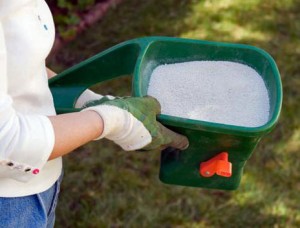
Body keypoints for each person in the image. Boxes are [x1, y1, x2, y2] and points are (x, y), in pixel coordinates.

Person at [0, 1, 188, 227]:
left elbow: (20, 67)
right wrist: (114, 120)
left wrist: (86, 100)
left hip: (39, 186)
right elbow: (6, 144)